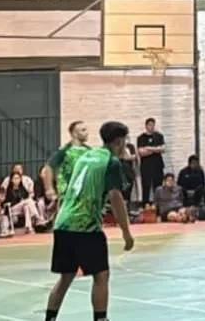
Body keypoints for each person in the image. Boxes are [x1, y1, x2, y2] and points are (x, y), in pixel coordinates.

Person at [44, 121, 135, 321]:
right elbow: (116, 197)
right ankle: (101, 319)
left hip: (63, 223)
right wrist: (126, 233)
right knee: (101, 275)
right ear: (119, 141)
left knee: (66, 277)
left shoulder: (85, 156)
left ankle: (49, 319)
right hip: (85, 226)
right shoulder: (111, 162)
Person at [43, 120, 92, 204]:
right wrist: (49, 188)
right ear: (74, 134)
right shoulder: (65, 151)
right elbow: (49, 167)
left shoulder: (89, 151)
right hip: (67, 192)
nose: (87, 133)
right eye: (83, 130)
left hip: (85, 192)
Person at [136, 118, 166, 206]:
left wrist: (148, 148)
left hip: (158, 165)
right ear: (146, 126)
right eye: (149, 125)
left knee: (158, 187)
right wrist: (156, 149)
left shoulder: (159, 136)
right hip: (146, 167)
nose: (151, 127)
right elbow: (141, 152)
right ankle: (145, 205)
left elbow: (163, 149)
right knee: (146, 186)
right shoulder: (141, 138)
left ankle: (158, 206)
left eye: (153, 125)